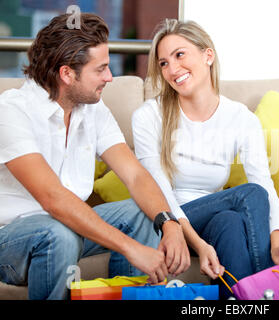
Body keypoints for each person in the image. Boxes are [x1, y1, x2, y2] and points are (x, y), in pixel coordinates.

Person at [0, 13, 190, 300]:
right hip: (12, 240)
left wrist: (169, 222)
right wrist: (131, 247)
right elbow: (53, 198)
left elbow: (135, 175)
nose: (109, 77)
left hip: (65, 227)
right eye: (100, 69)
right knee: (56, 234)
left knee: (141, 213)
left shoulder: (92, 110)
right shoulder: (12, 112)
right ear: (67, 74)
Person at [132, 19, 279, 298]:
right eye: (163, 63)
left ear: (208, 55)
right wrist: (198, 245)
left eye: (179, 55)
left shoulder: (241, 119)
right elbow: (159, 191)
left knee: (230, 221)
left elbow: (264, 182)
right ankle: (268, 293)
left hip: (213, 219)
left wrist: (278, 240)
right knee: (249, 194)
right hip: (167, 222)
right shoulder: (149, 116)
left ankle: (240, 301)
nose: (172, 69)